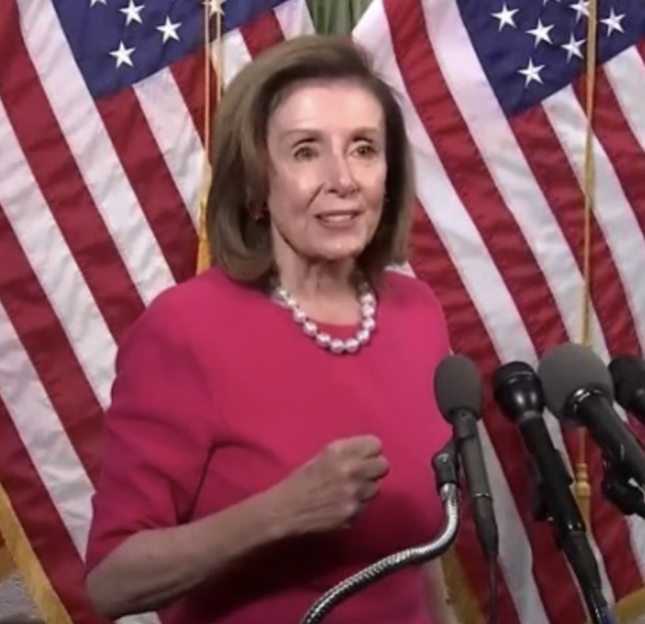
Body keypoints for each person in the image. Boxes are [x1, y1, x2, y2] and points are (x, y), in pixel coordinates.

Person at [84, 35, 459, 624]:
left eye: (363, 148)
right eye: (306, 151)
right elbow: (111, 583)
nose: (343, 178)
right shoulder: (186, 329)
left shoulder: (417, 313)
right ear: (257, 180)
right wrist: (281, 512)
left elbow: (418, 556)